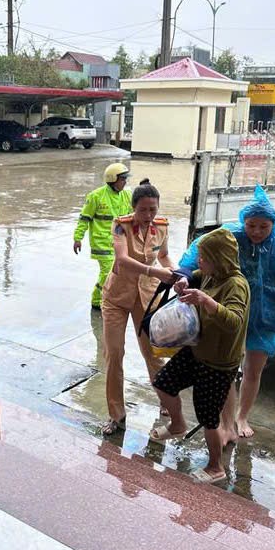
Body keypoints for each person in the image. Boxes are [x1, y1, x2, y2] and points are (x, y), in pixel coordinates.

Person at [178, 185, 275, 440]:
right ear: (244, 221)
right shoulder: (231, 236)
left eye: (264, 227)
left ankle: (242, 416)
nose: (256, 232)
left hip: (267, 314)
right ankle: (227, 421)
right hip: (230, 311)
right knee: (227, 369)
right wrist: (185, 276)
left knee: (253, 370)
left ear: (273, 224)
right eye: (252, 225)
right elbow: (199, 252)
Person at [151, 228, 250, 484]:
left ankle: (216, 467)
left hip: (218, 362)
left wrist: (206, 301)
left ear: (219, 259)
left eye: (204, 257)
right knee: (163, 382)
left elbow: (235, 322)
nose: (200, 262)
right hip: (196, 349)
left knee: (208, 417)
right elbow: (191, 274)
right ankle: (177, 425)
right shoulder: (209, 275)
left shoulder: (236, 285)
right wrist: (185, 281)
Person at [100, 179, 177, 435]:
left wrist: (177, 274)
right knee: (114, 353)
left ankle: (166, 399)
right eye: (143, 210)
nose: (148, 215)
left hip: (146, 297)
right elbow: (121, 260)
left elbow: (164, 256)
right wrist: (154, 270)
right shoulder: (121, 226)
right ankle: (116, 414)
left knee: (153, 352)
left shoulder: (162, 227)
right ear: (134, 208)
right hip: (116, 298)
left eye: (152, 209)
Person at [74, 162, 133, 310]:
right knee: (108, 272)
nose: (125, 182)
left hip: (119, 241)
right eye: (122, 179)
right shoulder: (96, 196)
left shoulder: (126, 195)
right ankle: (97, 300)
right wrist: (78, 238)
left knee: (120, 272)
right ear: (113, 179)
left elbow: (133, 216)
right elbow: (84, 218)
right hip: (101, 242)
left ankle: (110, 297)